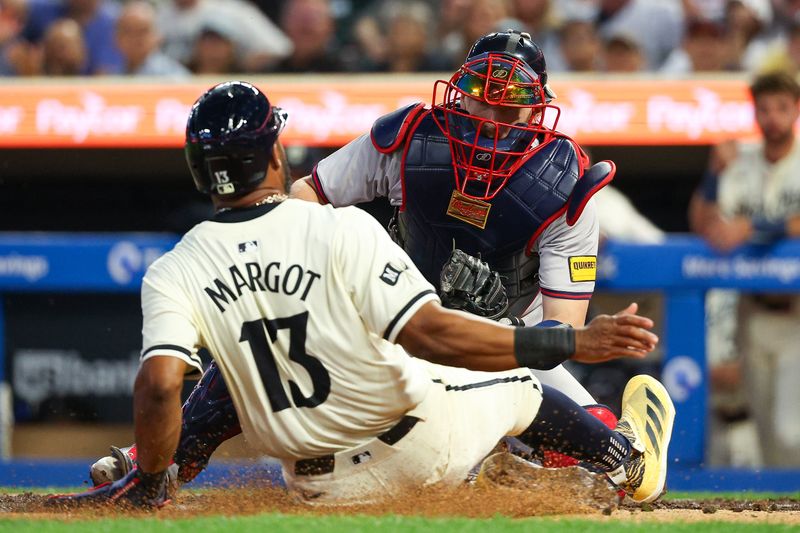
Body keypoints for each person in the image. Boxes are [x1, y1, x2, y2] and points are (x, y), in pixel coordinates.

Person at [51, 81, 674, 509]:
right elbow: (432, 333)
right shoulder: (342, 223)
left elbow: (159, 385)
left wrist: (152, 476)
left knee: (243, 360)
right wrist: (571, 340)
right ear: (277, 151)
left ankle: (161, 469)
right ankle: (625, 462)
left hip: (315, 489)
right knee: (522, 383)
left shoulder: (174, 267)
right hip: (420, 440)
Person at [689, 71, 800, 466]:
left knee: (792, 431)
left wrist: (754, 227)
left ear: (796, 110)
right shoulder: (742, 161)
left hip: (796, 314)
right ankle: (780, 520)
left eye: (781, 108)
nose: (772, 117)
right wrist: (713, 175)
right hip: (751, 313)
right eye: (764, 109)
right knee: (768, 433)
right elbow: (704, 224)